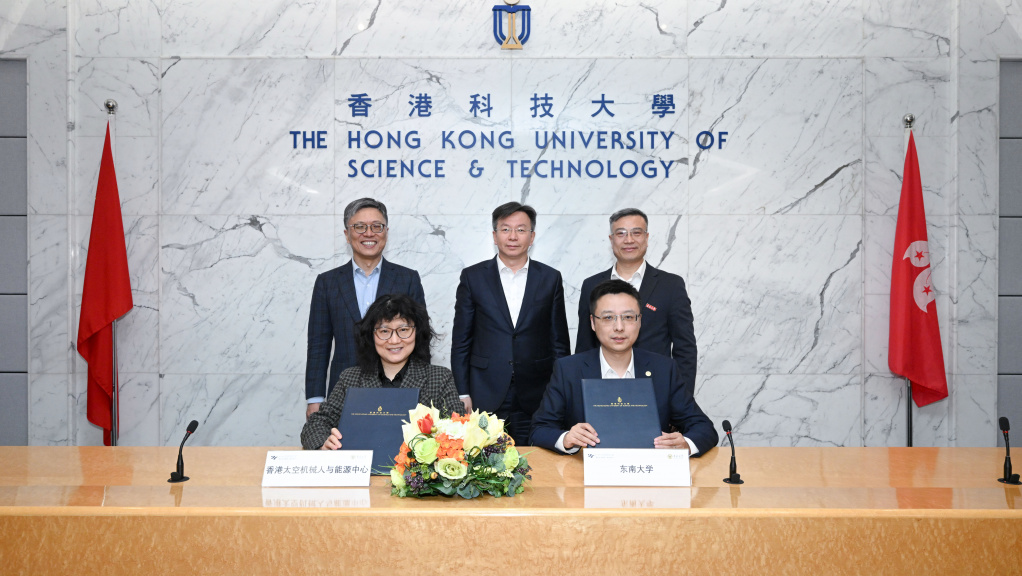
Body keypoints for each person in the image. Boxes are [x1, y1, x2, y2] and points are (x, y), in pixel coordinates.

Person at [531, 279, 717, 455]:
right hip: (587, 476)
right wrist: (566, 439)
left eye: (628, 317)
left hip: (648, 475)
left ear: (640, 321)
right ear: (593, 323)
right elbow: (539, 429)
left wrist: (685, 444)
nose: (619, 327)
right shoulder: (568, 369)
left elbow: (704, 427)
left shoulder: (663, 369)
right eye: (608, 317)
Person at [451, 201, 571, 445]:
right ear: (495, 236)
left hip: (537, 392)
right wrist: (462, 392)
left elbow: (559, 342)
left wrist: (559, 392)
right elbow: (461, 340)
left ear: (532, 236)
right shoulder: (473, 277)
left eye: (521, 229)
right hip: (485, 390)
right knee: (484, 466)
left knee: (537, 463)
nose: (513, 236)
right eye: (505, 229)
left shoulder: (550, 278)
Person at [304, 198, 425, 419]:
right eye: (359, 227)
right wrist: (315, 399)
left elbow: (420, 338)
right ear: (347, 234)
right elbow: (318, 345)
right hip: (343, 391)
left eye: (376, 226)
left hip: (398, 390)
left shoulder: (407, 278)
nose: (369, 233)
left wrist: (421, 393)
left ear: (386, 232)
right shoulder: (328, 282)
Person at [301, 293, 463, 450]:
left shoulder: (440, 377)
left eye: (403, 329)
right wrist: (324, 442)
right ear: (371, 335)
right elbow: (316, 424)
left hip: (416, 476)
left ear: (417, 332)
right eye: (384, 331)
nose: (394, 340)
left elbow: (459, 427)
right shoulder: (350, 378)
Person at [575, 208, 698, 398]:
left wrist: (681, 400)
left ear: (647, 237)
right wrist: (581, 397)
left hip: (656, 391)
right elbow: (584, 346)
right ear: (611, 239)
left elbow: (685, 349)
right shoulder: (592, 285)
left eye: (636, 233)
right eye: (621, 233)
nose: (629, 240)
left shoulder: (670, 285)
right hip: (601, 393)